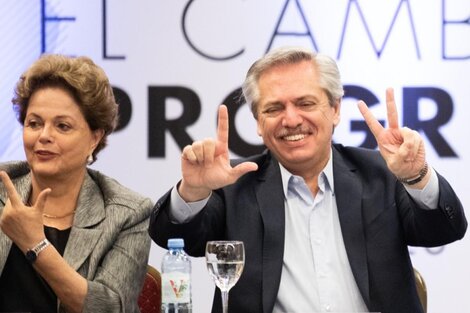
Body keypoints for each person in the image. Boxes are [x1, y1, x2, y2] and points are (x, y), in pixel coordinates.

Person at [149, 47, 467, 313]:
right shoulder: (234, 184)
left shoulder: (381, 173)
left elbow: (445, 230)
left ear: (335, 109)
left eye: (305, 103)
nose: (291, 119)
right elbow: (172, 236)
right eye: (274, 108)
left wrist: (416, 176)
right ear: (259, 123)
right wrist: (194, 190)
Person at [0, 54, 153, 313]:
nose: (44, 136)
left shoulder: (128, 213)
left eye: (62, 126)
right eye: (34, 123)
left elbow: (110, 307)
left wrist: (36, 245)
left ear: (94, 138)